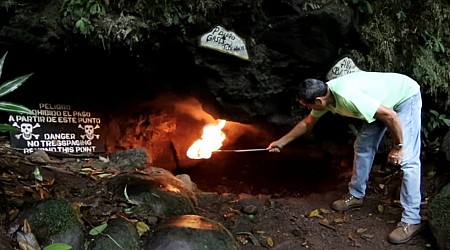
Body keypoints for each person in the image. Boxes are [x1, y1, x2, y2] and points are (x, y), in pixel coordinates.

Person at [267, 71, 423, 244]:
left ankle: (411, 220)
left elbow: (390, 116)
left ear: (318, 101)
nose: (309, 110)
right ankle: (356, 195)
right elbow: (307, 123)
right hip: (381, 104)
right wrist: (280, 142)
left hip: (405, 97)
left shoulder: (348, 96)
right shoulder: (326, 96)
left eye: (309, 106)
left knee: (408, 160)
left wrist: (398, 147)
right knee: (362, 146)